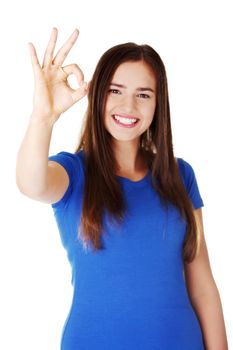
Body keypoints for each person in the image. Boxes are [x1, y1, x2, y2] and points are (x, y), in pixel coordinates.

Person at [16, 27, 228, 350]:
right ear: (98, 95)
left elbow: (203, 288)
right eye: (116, 91)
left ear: (158, 104)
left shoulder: (180, 176)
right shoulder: (73, 173)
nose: (128, 106)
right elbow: (30, 183)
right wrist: (42, 118)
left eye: (143, 94)